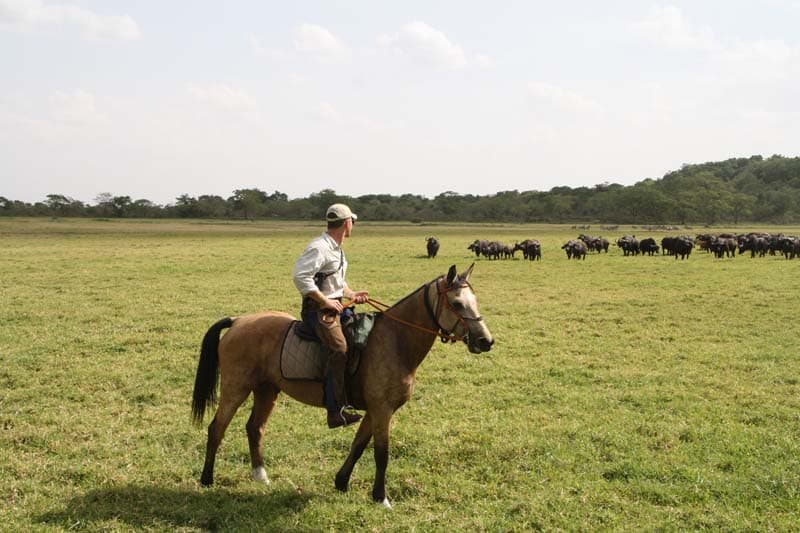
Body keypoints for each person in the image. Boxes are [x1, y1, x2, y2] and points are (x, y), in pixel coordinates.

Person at [292, 203, 369, 428]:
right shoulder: (319, 247)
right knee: (339, 348)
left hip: (336, 307)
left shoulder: (336, 248)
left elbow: (336, 281)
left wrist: (351, 294)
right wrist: (325, 301)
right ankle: (335, 411)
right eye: (352, 221)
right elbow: (300, 277)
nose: (353, 225)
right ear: (346, 223)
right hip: (317, 311)